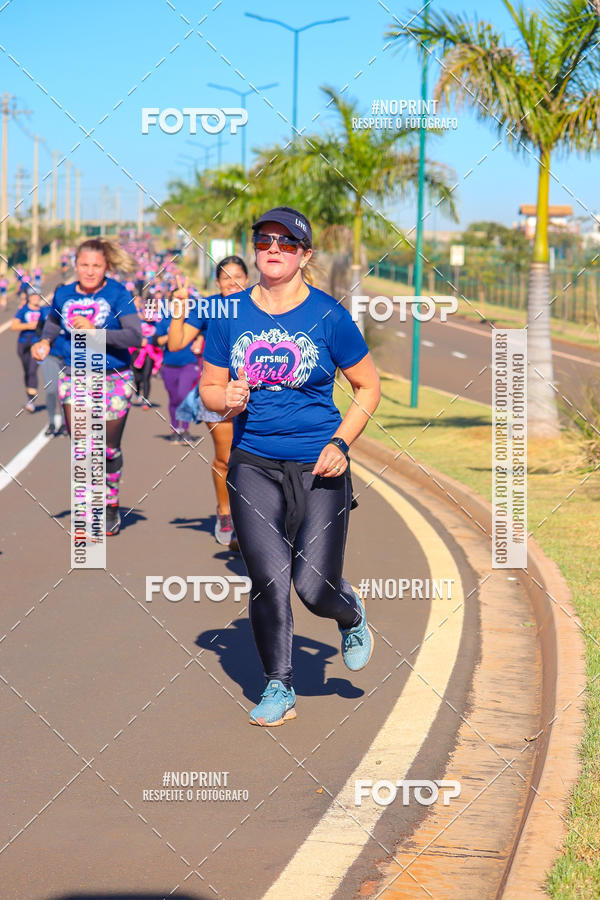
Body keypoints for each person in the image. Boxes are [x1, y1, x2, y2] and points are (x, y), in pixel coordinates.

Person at [199, 207, 381, 726]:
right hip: (253, 463)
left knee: (312, 587)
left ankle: (348, 611)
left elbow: (369, 388)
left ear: (304, 255)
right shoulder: (228, 314)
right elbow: (208, 391)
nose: (272, 249)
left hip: (320, 466)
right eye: (263, 241)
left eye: (285, 242)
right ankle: (279, 686)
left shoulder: (328, 315)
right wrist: (225, 397)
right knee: (270, 579)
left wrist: (342, 444)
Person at [33, 238, 142, 536]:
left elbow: (135, 337)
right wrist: (44, 341)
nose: (90, 271)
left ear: (106, 266)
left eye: (96, 266)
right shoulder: (64, 293)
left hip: (114, 378)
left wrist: (97, 332)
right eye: (84, 265)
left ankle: (111, 504)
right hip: (76, 375)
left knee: (107, 449)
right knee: (83, 449)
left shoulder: (118, 294)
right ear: (75, 265)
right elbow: (54, 323)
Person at [168, 257, 249, 549]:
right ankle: (226, 513)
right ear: (217, 283)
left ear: (248, 278)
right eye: (226, 278)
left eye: (238, 276)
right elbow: (176, 344)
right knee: (227, 457)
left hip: (258, 394)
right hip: (217, 393)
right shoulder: (209, 307)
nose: (232, 282)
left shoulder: (257, 304)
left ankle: (254, 521)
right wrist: (179, 308)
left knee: (254, 461)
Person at [154, 292, 201, 443]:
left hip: (189, 364)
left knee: (183, 395)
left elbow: (204, 332)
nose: (179, 303)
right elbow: (157, 341)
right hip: (169, 365)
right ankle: (175, 429)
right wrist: (173, 335)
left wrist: (199, 340)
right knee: (174, 399)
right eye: (175, 301)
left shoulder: (193, 321)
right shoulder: (165, 320)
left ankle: (185, 429)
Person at [36, 296, 67, 436]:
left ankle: (65, 423)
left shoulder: (75, 313)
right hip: (50, 356)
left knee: (65, 392)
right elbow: (39, 330)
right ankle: (51, 422)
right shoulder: (45, 312)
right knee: (51, 389)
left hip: (68, 358)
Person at [11, 288, 42, 412]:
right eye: (33, 296)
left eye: (37, 296)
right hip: (23, 344)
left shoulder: (43, 311)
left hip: (37, 344)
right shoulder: (23, 310)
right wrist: (29, 325)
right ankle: (29, 397)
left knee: (32, 369)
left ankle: (31, 400)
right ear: (28, 297)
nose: (35, 298)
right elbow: (14, 326)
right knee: (27, 371)